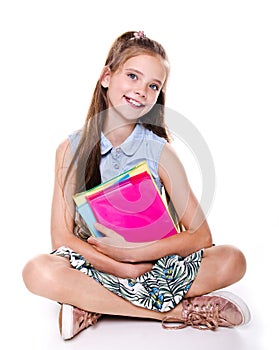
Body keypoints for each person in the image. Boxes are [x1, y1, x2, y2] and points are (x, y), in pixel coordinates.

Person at [22, 30, 250, 340]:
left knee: (232, 259)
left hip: (154, 267)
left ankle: (93, 306)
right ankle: (179, 311)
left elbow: (202, 236)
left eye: (153, 86)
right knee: (38, 270)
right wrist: (121, 267)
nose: (141, 91)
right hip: (99, 266)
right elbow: (60, 238)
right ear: (106, 77)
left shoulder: (160, 152)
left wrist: (136, 255)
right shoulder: (71, 149)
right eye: (132, 76)